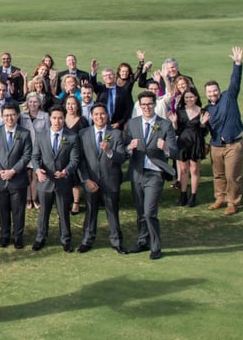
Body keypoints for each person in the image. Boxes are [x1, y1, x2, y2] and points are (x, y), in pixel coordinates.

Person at [125, 91, 179, 260]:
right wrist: (129, 148)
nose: (147, 107)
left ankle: (156, 246)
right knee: (140, 211)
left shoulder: (165, 125)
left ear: (155, 104)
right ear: (139, 106)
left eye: (149, 104)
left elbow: (175, 152)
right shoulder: (132, 123)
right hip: (137, 172)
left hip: (155, 174)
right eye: (143, 105)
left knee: (149, 212)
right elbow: (124, 148)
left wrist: (166, 148)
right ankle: (142, 241)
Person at [77, 103, 129, 255]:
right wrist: (86, 179)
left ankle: (117, 242)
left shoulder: (116, 134)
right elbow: (80, 159)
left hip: (110, 181)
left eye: (102, 114)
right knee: (90, 211)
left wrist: (109, 151)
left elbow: (122, 158)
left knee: (112, 211)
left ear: (107, 115)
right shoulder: (83, 134)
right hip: (91, 181)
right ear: (91, 116)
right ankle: (87, 240)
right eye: (96, 114)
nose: (99, 117)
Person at [31, 106, 80, 252]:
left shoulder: (72, 137)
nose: (57, 121)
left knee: (63, 213)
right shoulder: (41, 136)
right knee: (43, 213)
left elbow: (75, 159)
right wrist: (37, 170)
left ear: (64, 119)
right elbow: (35, 157)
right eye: (54, 118)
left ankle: (65, 240)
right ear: (50, 119)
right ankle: (40, 238)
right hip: (45, 181)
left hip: (63, 182)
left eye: (60, 118)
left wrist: (66, 171)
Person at [203, 46, 243, 216]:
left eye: (215, 90)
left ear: (219, 91)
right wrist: (202, 124)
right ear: (206, 94)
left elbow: (235, 80)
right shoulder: (206, 110)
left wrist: (237, 63)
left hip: (233, 145)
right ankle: (220, 198)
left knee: (232, 175)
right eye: (209, 92)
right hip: (216, 146)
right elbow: (204, 131)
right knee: (218, 175)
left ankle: (232, 202)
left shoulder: (229, 96)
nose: (212, 93)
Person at [0, 102, 33, 249]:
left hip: (17, 180)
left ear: (18, 116)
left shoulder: (25, 133)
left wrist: (13, 171)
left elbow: (27, 155)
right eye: (6, 115)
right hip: (0, 180)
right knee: (2, 210)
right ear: (2, 117)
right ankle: (5, 235)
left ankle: (18, 237)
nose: (10, 118)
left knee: (18, 211)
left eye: (13, 115)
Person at [169, 90, 207, 207]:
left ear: (196, 97)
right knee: (184, 170)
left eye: (191, 97)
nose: (189, 99)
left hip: (196, 143)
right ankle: (183, 195)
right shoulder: (179, 111)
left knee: (194, 170)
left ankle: (193, 196)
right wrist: (174, 123)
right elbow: (177, 131)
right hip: (183, 143)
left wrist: (203, 123)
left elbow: (204, 132)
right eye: (186, 97)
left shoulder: (202, 111)